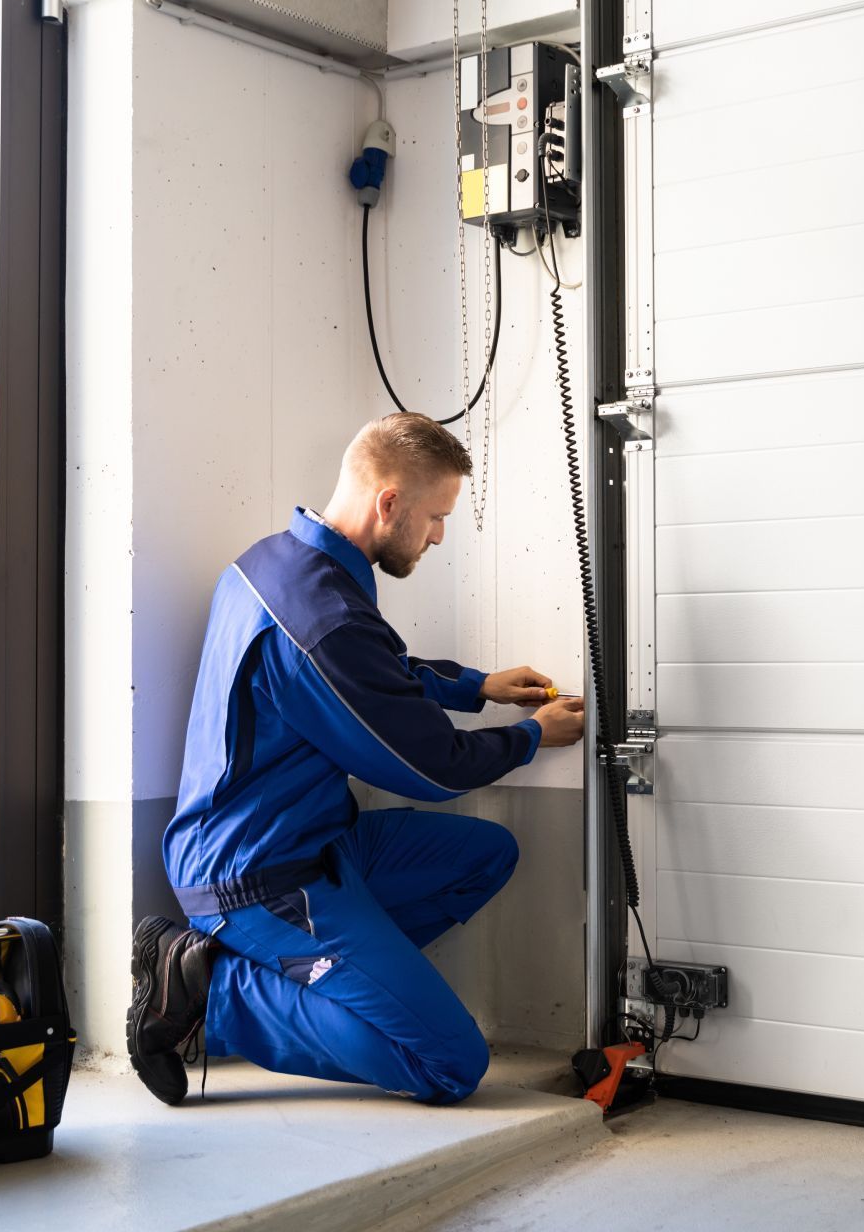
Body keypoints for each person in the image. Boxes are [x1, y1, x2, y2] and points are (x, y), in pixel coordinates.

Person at [127, 412, 586, 1106]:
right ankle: (210, 994)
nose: (437, 536)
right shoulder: (321, 619)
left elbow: (374, 673)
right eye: (435, 517)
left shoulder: (276, 563)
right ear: (390, 503)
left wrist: (476, 687)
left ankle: (325, 987)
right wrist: (529, 737)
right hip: (256, 877)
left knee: (485, 855)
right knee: (451, 1064)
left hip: (315, 842)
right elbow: (433, 768)